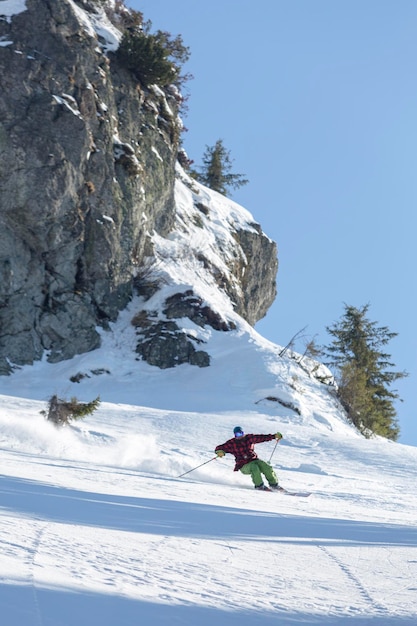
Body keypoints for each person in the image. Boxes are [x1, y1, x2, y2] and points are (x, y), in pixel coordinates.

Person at [215, 426, 283, 491]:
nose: (240, 436)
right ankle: (259, 486)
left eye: (241, 433)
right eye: (237, 434)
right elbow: (219, 448)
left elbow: (261, 437)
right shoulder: (232, 443)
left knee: (266, 466)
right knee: (254, 467)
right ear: (235, 435)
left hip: (254, 460)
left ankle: (274, 485)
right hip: (243, 465)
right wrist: (219, 452)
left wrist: (274, 436)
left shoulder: (249, 438)